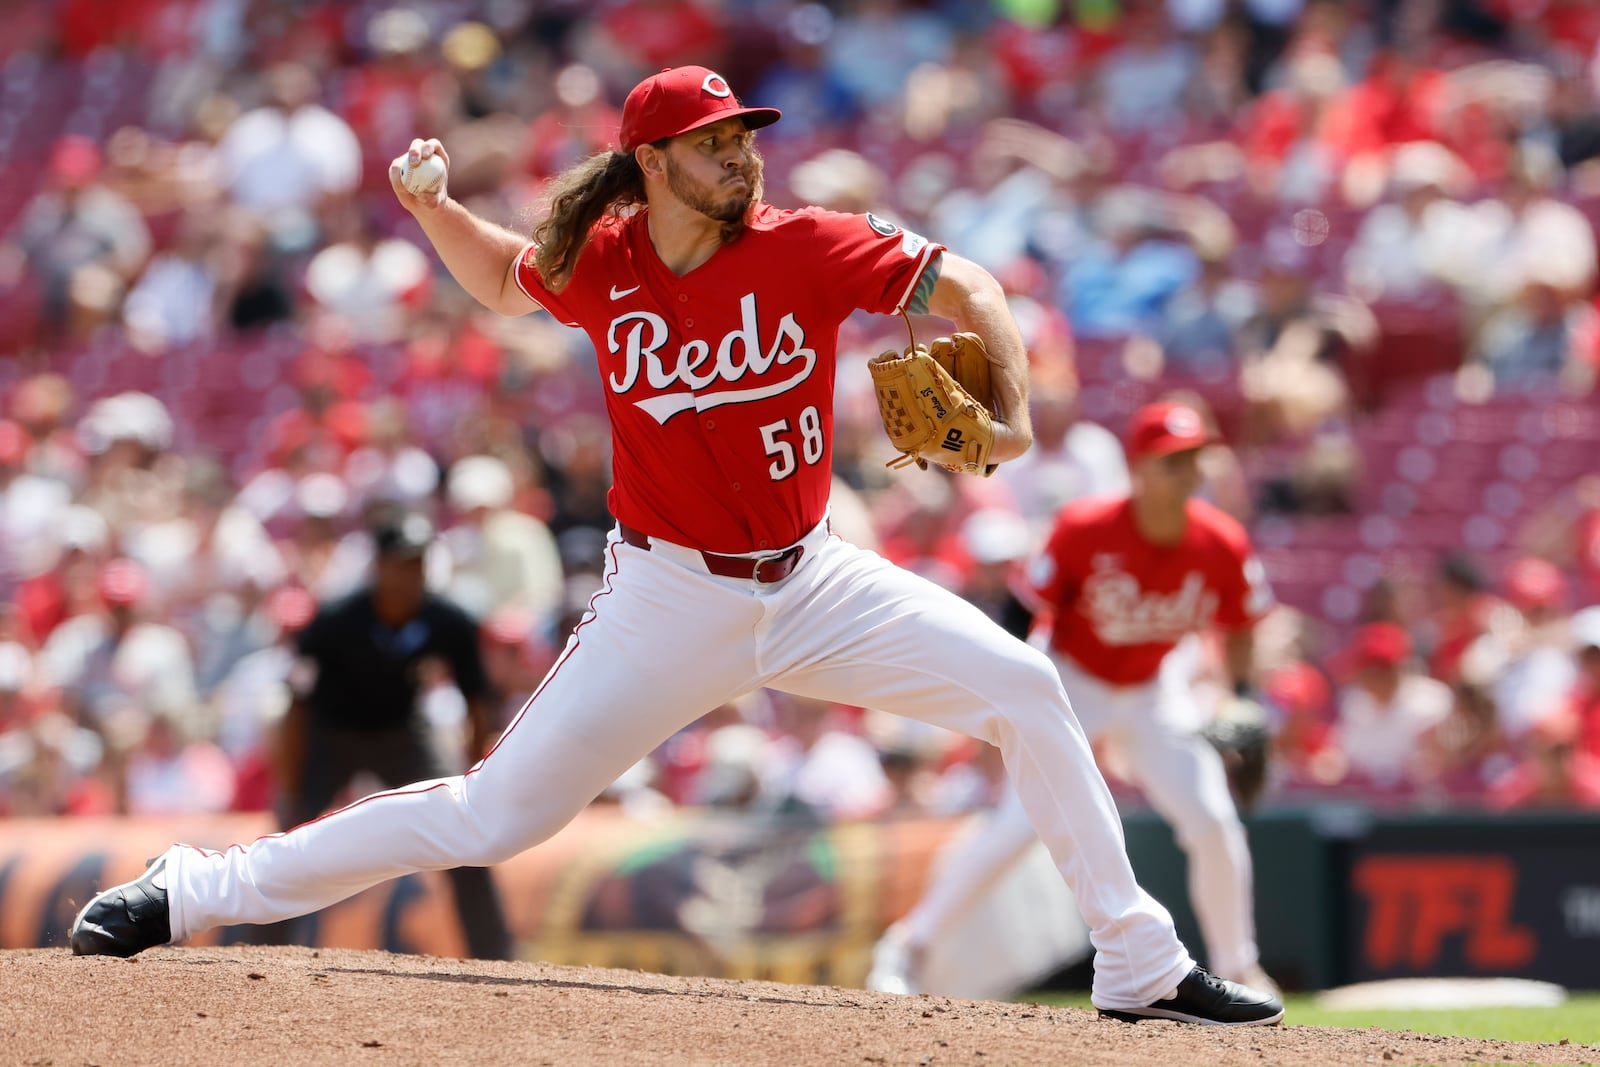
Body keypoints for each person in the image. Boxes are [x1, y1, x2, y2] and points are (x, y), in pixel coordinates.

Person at [70, 66, 1279, 1026]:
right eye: (714, 141)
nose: (740, 154)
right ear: (651, 160)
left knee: (1024, 685)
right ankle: (194, 887)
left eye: (744, 137)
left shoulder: (802, 243)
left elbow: (968, 285)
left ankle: (1137, 959)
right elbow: (503, 278)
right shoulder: (608, 264)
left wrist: (1010, 407)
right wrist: (434, 205)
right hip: (666, 598)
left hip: (815, 581)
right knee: (492, 816)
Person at [869, 401, 1278, 997]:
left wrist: (1242, 695)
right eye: (1173, 461)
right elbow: (1021, 611)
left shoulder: (1220, 541)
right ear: (1138, 468)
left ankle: (1240, 967)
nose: (1188, 471)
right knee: (1016, 826)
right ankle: (912, 945)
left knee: (1212, 819)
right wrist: (1001, 701)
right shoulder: (1087, 527)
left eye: (1195, 458)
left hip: (1152, 690)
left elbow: (1242, 622)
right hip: (1074, 680)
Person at [249, 513, 511, 959]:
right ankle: (260, 951)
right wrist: (291, 787)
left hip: (401, 733)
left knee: (462, 828)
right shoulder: (335, 621)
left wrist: (475, 778)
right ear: (379, 568)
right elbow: (297, 705)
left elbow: (477, 703)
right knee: (290, 838)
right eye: (401, 563)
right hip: (332, 736)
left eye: (419, 563)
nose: (411, 574)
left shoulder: (447, 621)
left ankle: (495, 956)